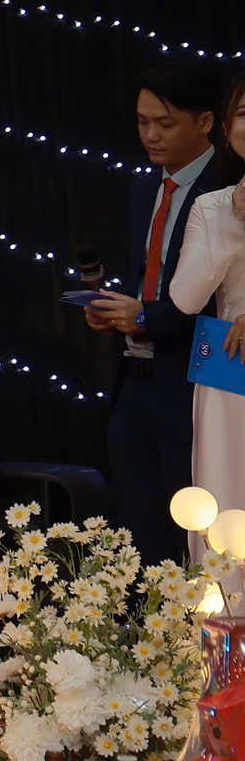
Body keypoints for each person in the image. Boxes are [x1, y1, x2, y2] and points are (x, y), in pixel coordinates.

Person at [89, 59, 240, 562]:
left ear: (206, 122)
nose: (151, 136)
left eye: (165, 123)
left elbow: (212, 299)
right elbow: (147, 280)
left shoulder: (228, 189)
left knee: (205, 523)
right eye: (142, 122)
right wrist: (116, 313)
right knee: (141, 531)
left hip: (209, 376)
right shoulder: (143, 189)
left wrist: (144, 316)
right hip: (137, 376)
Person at [169, 70, 245, 556]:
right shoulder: (210, 207)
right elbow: (184, 298)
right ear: (227, 127)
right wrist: (231, 222)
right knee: (225, 502)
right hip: (228, 371)